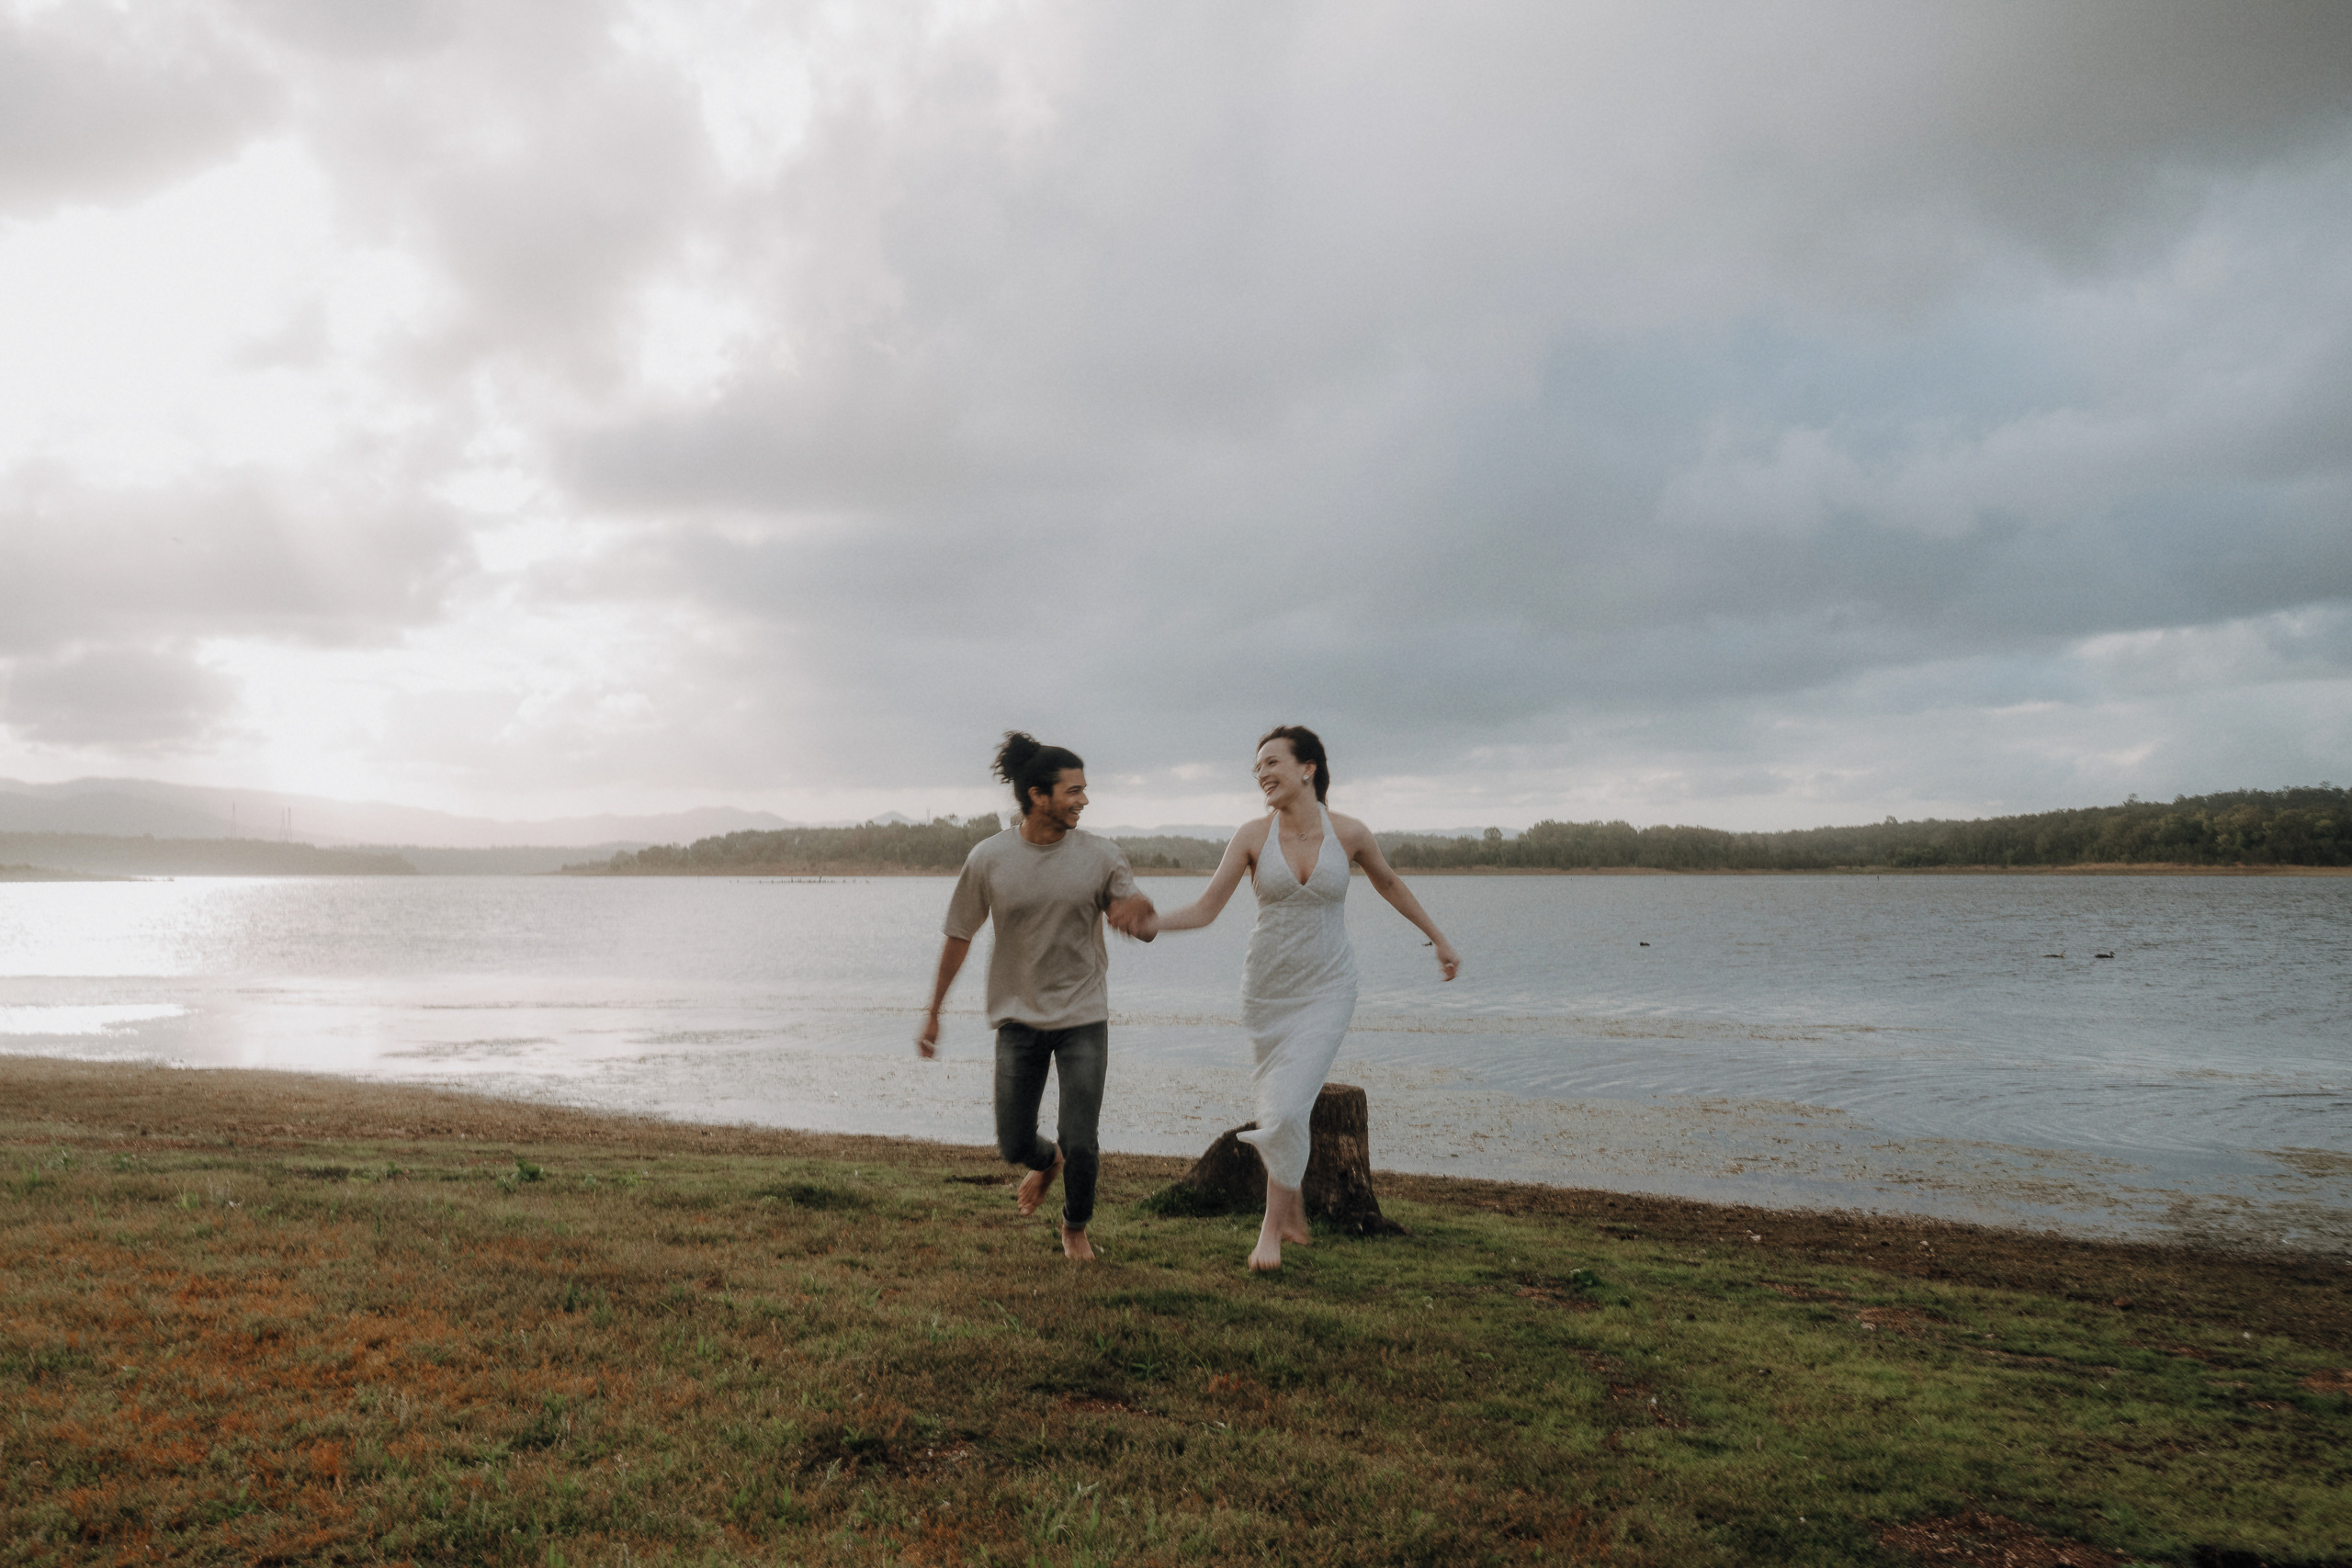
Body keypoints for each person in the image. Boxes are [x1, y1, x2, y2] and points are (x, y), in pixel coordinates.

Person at [1139, 725, 1461, 1271]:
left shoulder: (1351, 833)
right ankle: (1290, 1209)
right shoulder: (1250, 836)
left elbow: (1391, 885)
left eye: (1271, 763)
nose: (1261, 774)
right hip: (1267, 991)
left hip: (1330, 988)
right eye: (1256, 768)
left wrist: (1441, 941)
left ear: (1307, 767)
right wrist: (1152, 924)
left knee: (1288, 1107)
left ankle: (1272, 1230)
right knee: (1277, 1106)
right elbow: (1205, 908)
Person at [917, 732, 1157, 1261]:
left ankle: (1075, 1227)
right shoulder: (988, 858)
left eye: (1085, 790)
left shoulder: (1101, 855)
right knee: (1013, 1145)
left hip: (1083, 1015)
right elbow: (959, 935)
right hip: (1017, 1019)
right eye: (1073, 791)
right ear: (1037, 795)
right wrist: (933, 1015)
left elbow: (1141, 921)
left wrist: (1140, 915)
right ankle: (1045, 1164)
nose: (1084, 800)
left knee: (1082, 1139)